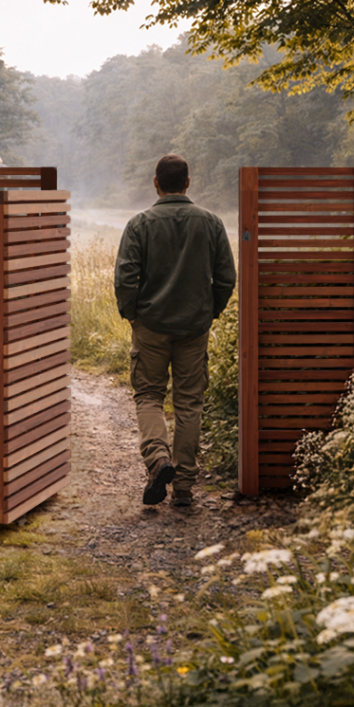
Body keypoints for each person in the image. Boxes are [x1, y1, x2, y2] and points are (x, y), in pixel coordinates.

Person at [114, 154, 236, 507]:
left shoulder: (140, 224)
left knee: (149, 395)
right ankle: (183, 485)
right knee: (189, 402)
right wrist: (208, 313)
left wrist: (132, 315)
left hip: (150, 326)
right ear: (187, 182)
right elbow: (226, 278)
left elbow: (125, 278)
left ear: (156, 182)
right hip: (193, 328)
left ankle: (158, 460)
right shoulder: (211, 223)